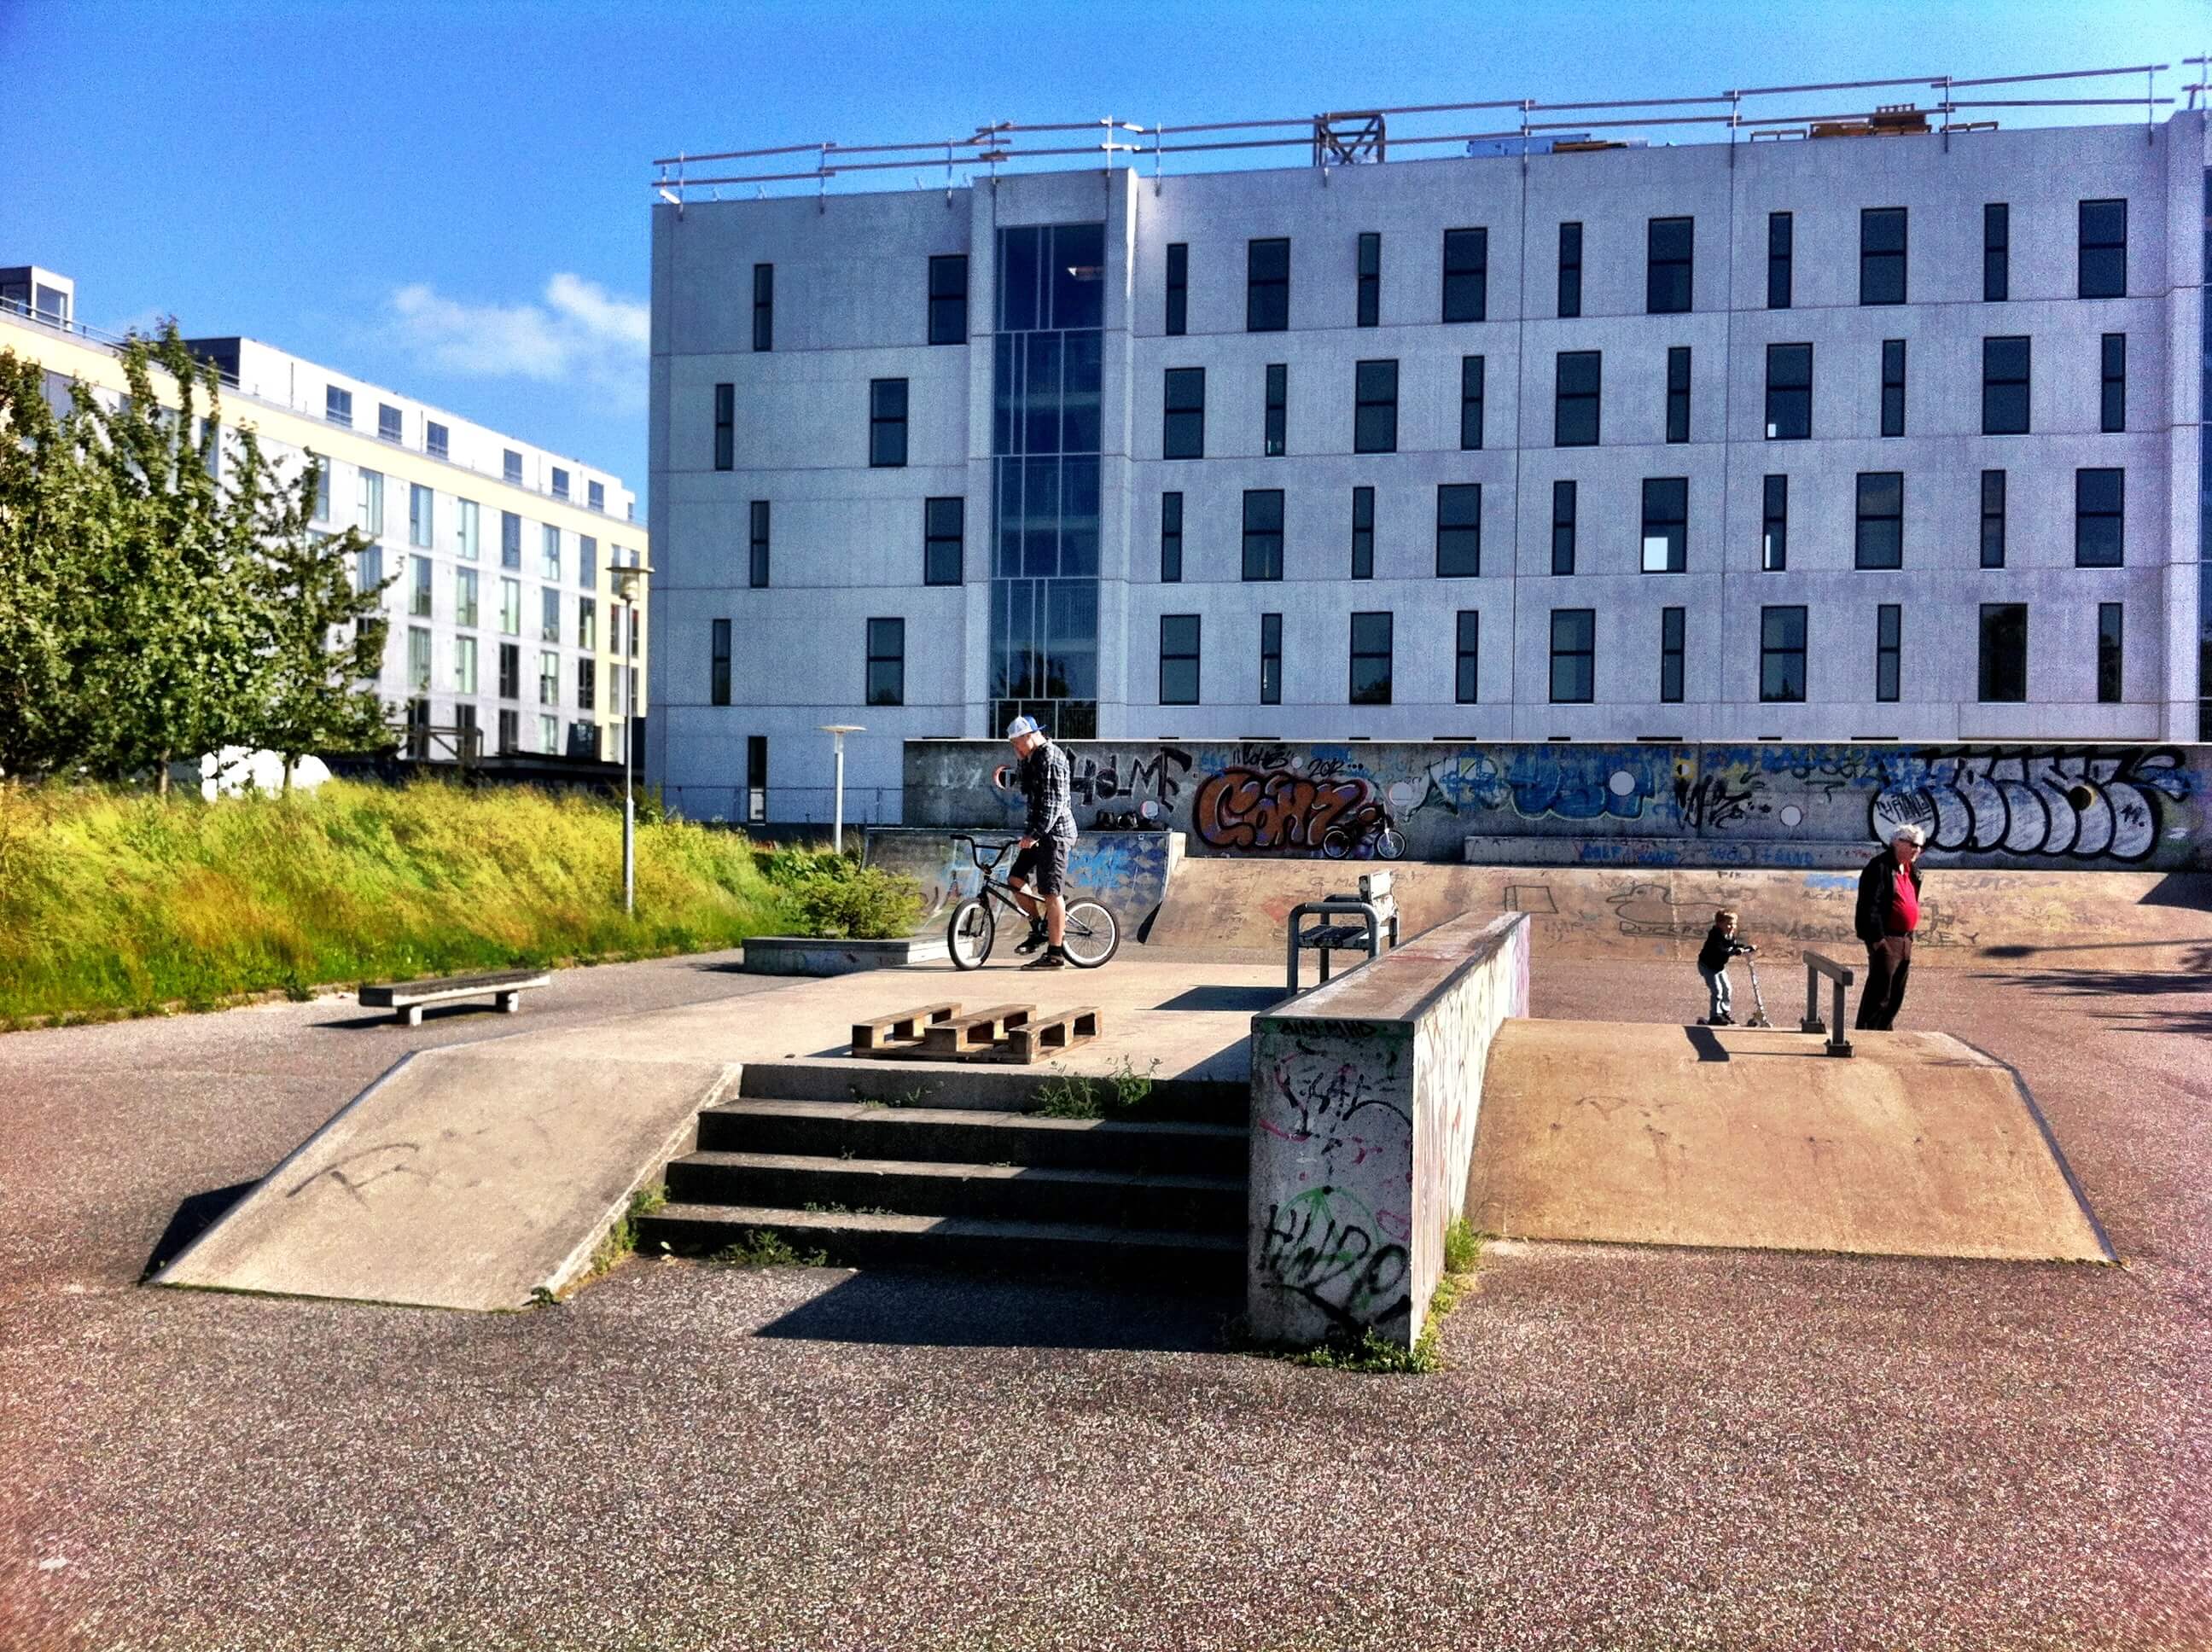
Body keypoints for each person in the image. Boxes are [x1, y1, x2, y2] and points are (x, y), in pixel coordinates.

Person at [997, 715, 1079, 970]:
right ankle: (1038, 928)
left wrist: (1035, 835)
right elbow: (1026, 790)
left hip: (1055, 835)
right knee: (1016, 880)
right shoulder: (1033, 758)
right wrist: (1022, 762)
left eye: (1016, 744)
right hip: (1038, 834)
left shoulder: (1052, 758)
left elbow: (1053, 805)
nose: (1015, 749)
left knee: (1050, 892)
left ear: (1028, 736)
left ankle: (1055, 954)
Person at [1854, 823, 1925, 1030]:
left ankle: (1884, 1031)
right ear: (1897, 842)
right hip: (1886, 939)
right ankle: (1868, 1032)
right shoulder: (1880, 867)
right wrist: (1877, 940)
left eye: (1920, 846)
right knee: (1879, 993)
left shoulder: (1911, 871)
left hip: (1904, 940)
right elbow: (1870, 905)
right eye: (1913, 845)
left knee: (1896, 994)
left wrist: (1909, 936)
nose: (1916, 850)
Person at [1696, 909, 1755, 1027]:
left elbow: (1733, 946)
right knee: (1717, 990)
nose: (1732, 926)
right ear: (1719, 924)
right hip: (1707, 966)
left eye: (1734, 924)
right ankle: (1715, 1016)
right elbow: (1720, 951)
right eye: (1728, 924)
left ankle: (1724, 1013)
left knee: (1727, 989)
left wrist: (1745, 947)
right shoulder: (1715, 936)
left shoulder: (1730, 935)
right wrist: (1734, 952)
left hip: (1719, 966)